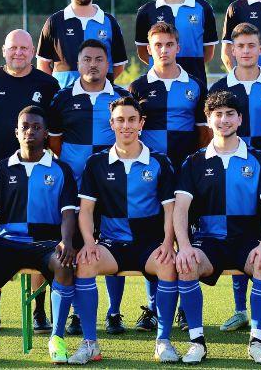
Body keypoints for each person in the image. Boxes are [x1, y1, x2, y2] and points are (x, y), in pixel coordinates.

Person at [0, 106, 79, 365]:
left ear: (45, 133)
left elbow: (69, 213)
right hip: (9, 242)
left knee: (65, 262)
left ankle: (57, 339)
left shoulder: (61, 170)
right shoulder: (1, 169)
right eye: (25, 127)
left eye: (36, 127)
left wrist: (66, 241)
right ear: (16, 132)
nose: (30, 131)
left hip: (46, 244)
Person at [68, 96, 180, 364]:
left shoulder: (159, 161)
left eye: (132, 120)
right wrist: (89, 243)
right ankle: (90, 344)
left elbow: (170, 210)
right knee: (85, 264)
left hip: (150, 245)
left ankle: (163, 342)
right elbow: (86, 210)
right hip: (112, 244)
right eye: (120, 120)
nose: (126, 126)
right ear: (112, 124)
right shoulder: (96, 163)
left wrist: (168, 243)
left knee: (168, 265)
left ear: (141, 123)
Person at [172, 91, 261, 364]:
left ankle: (257, 342)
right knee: (186, 264)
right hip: (208, 240)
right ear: (208, 120)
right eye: (217, 114)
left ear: (240, 119)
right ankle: (197, 342)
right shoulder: (194, 162)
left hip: (247, 240)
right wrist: (184, 247)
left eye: (230, 114)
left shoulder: (259, 159)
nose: (224, 120)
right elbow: (180, 209)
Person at [0, 29, 60, 332]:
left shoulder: (47, 84)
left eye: (24, 48)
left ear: (32, 51)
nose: (19, 53)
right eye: (13, 48)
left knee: (40, 237)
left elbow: (55, 132)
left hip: (38, 177)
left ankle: (39, 311)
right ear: (4, 50)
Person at [129, 21, 209, 333]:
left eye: (169, 44)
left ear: (178, 47)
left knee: (186, 237)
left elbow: (203, 133)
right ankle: (153, 308)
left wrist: (195, 167)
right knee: (156, 241)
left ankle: (186, 309)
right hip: (152, 175)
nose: (163, 50)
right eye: (157, 45)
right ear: (148, 50)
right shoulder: (137, 87)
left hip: (185, 174)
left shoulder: (195, 85)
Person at [48, 39, 131, 335]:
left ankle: (114, 311)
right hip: (74, 188)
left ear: (108, 64)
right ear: (78, 63)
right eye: (87, 59)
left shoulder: (122, 96)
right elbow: (55, 142)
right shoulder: (62, 98)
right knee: (75, 248)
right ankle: (76, 314)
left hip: (112, 187)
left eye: (99, 59)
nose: (93, 65)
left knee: (112, 244)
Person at [209, 22, 261, 333]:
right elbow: (212, 131)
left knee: (260, 235)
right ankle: (240, 309)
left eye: (252, 45)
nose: (246, 51)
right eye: (240, 46)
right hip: (230, 170)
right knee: (236, 230)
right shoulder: (220, 87)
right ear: (231, 50)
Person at [135, 0, 217, 86]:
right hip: (157, 85)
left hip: (195, 84)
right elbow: (143, 52)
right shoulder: (146, 11)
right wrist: (164, 65)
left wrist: (190, 67)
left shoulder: (203, 8)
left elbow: (208, 52)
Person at [36, 0, 128, 88]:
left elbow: (119, 65)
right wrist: (57, 90)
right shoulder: (54, 22)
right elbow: (43, 64)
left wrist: (98, 85)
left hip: (102, 97)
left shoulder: (110, 22)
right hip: (64, 98)